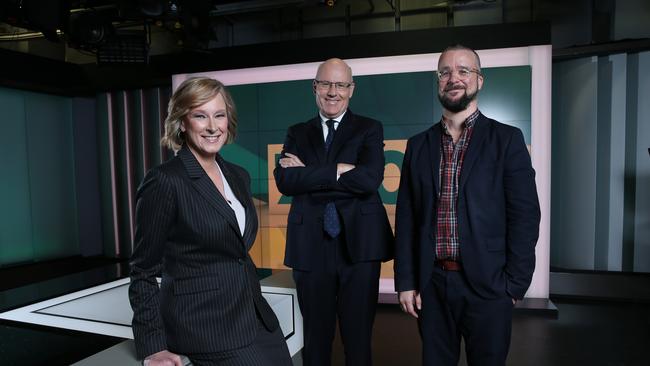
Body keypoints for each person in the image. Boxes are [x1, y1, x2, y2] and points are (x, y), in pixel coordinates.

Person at [128, 77, 292, 366]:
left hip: (254, 316)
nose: (213, 126)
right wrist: (152, 346)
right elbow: (143, 270)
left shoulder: (237, 175)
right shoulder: (165, 180)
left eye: (219, 115)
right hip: (205, 326)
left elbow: (237, 252)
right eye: (200, 116)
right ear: (181, 122)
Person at [394, 45, 541, 366]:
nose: (453, 78)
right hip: (432, 285)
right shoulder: (419, 145)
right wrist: (405, 281)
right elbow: (407, 218)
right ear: (438, 82)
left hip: (489, 287)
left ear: (480, 80)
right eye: (444, 72)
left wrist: (513, 286)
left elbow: (525, 215)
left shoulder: (507, 139)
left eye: (463, 70)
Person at [274, 58, 394, 366]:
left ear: (351, 89)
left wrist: (310, 174)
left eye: (340, 85)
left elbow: (369, 180)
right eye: (326, 84)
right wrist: (339, 171)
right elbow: (286, 181)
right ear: (314, 87)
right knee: (315, 340)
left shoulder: (369, 128)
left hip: (360, 247)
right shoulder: (297, 132)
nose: (333, 92)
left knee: (358, 341)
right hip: (311, 247)